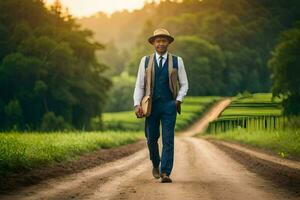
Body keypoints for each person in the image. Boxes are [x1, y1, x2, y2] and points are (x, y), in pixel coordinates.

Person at [133, 28, 189, 183]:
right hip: (151, 106)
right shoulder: (145, 61)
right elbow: (140, 85)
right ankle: (155, 164)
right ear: (153, 43)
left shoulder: (178, 61)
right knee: (151, 139)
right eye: (158, 41)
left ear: (168, 43)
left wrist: (178, 100)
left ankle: (165, 172)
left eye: (164, 41)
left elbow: (184, 84)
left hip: (169, 106)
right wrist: (137, 104)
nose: (161, 44)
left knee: (168, 139)